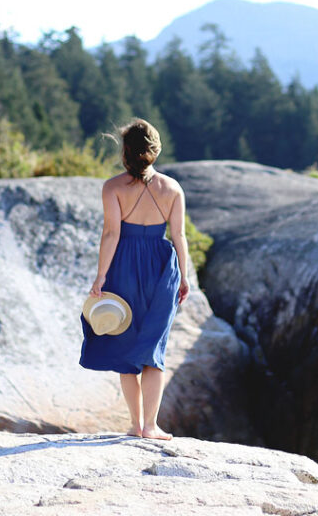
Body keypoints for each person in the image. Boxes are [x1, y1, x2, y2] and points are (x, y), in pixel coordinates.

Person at [80, 118, 190, 440]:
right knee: (153, 349)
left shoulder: (112, 187)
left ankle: (135, 425)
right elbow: (179, 235)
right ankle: (152, 426)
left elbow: (112, 234)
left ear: (126, 152)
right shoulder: (172, 188)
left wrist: (100, 277)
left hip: (124, 265)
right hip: (160, 268)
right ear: (155, 149)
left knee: (126, 346)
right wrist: (185, 277)